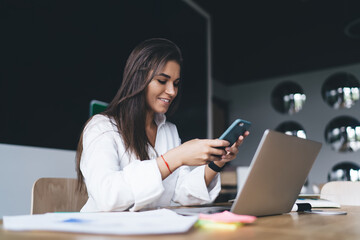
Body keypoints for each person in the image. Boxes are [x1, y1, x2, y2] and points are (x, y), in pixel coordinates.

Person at [75, 38, 249, 212]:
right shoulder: (101, 127)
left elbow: (181, 193)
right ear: (138, 79)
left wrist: (217, 163)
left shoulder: (169, 130)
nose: (172, 91)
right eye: (162, 80)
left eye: (176, 83)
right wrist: (174, 158)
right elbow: (108, 196)